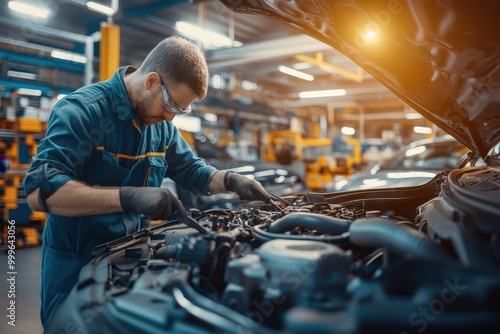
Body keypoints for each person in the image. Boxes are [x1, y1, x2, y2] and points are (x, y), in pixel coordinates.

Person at [23, 36, 271, 329]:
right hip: (75, 265)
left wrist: (230, 180)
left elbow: (193, 171)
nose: (170, 117)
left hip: (131, 261)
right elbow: (40, 192)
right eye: (169, 105)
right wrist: (128, 197)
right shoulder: (83, 112)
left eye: (179, 111)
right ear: (152, 81)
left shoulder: (161, 127)